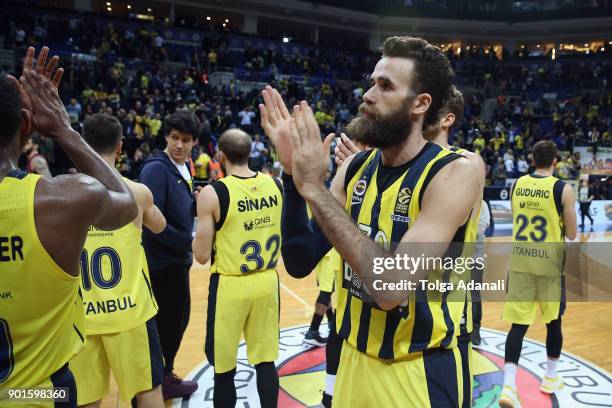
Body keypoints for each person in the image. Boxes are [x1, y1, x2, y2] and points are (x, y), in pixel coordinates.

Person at [261, 36, 479, 407]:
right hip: (352, 360)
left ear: (420, 104)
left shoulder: (454, 172)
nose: (368, 94)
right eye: (371, 82)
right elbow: (300, 259)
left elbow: (391, 290)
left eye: (385, 86)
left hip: (418, 372)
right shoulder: (354, 168)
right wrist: (292, 176)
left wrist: (312, 185)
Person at [0, 47, 137, 406]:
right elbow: (126, 202)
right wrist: (63, 128)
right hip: (42, 392)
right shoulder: (65, 200)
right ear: (27, 126)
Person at [334, 85, 486, 408]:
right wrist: (358, 174)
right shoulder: (380, 164)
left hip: (429, 340)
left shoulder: (465, 165)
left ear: (445, 118)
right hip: (366, 339)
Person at [69, 114, 166, 407]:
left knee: (85, 400)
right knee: (148, 394)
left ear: (82, 144)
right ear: (120, 147)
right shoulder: (137, 193)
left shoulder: (60, 193)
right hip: (130, 313)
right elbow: (160, 227)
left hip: (81, 317)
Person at [192, 129, 283, 408]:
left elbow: (202, 255)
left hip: (231, 286)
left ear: (221, 156)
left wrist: (201, 210)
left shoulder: (213, 192)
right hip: (268, 282)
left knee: (223, 369)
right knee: (266, 362)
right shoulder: (274, 184)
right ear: (250, 153)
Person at [499, 140, 577, 408]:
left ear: (532, 160)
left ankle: (509, 387)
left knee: (518, 326)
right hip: (549, 266)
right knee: (553, 322)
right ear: (555, 161)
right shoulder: (563, 189)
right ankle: (550, 378)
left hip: (520, 262)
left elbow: (516, 213)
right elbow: (572, 233)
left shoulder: (517, 184)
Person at [138, 109, 201, 399]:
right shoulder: (156, 169)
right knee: (166, 327)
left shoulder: (184, 168)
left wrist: (195, 204)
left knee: (178, 321)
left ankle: (165, 375)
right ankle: (158, 382)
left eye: (185, 140)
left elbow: (176, 209)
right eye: (174, 138)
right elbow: (153, 224)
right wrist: (187, 242)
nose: (179, 144)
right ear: (166, 136)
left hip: (176, 262)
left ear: (194, 143)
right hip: (161, 264)